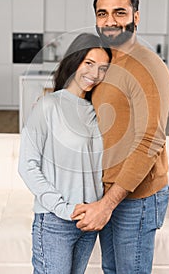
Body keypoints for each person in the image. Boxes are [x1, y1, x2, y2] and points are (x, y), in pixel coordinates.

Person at [71, 0, 169, 273]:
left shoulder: (147, 66)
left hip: (136, 197)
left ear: (136, 17)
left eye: (119, 12)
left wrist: (107, 204)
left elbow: (149, 141)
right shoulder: (109, 60)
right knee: (112, 270)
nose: (110, 21)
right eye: (102, 14)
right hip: (111, 192)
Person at [18, 32, 112, 274]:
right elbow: (27, 165)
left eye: (103, 68)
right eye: (89, 64)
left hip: (89, 221)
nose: (95, 74)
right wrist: (62, 208)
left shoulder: (97, 111)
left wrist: (98, 208)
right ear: (75, 60)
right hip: (55, 221)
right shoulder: (48, 106)